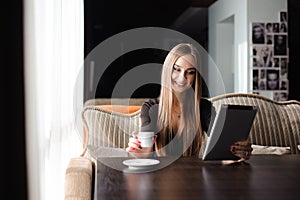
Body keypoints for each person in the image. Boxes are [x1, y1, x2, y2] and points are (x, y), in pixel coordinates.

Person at [126, 43, 253, 160]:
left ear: (195, 76)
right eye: (177, 69)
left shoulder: (203, 108)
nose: (182, 78)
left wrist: (238, 151)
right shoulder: (151, 108)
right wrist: (141, 151)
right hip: (160, 178)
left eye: (190, 72)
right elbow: (145, 147)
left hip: (194, 176)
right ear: (167, 71)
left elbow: (223, 147)